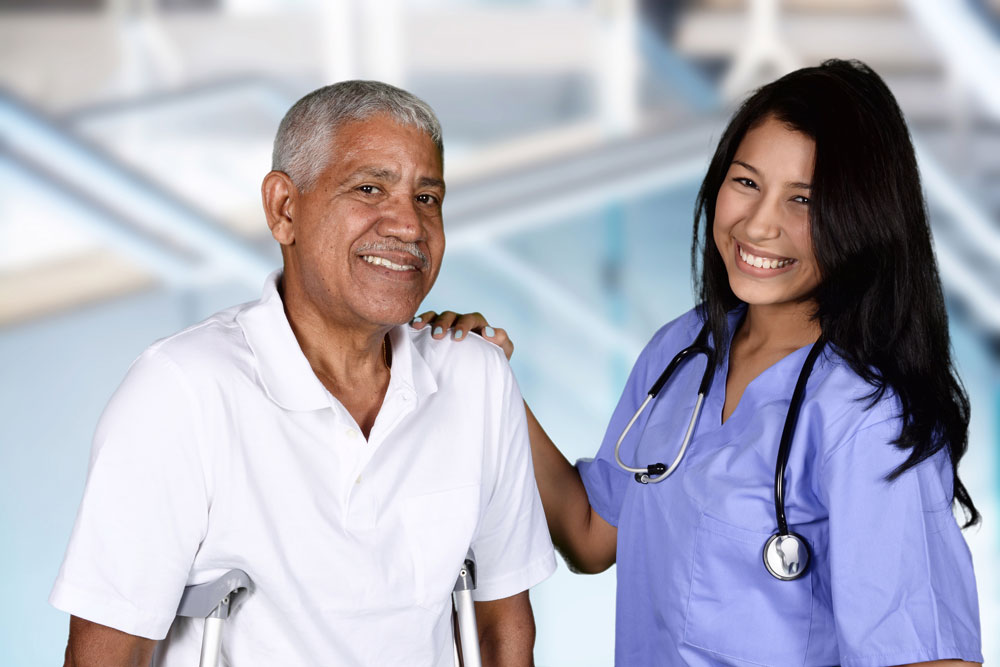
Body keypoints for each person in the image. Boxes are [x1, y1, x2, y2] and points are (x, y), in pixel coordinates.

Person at [416, 60, 983, 666]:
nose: (760, 224)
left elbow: (930, 658)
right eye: (746, 183)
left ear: (862, 220)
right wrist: (491, 384)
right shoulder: (682, 352)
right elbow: (590, 534)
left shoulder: (867, 418)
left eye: (804, 200)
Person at [51, 80, 556, 667]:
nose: (410, 227)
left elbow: (500, 627)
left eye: (428, 198)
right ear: (284, 209)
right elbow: (108, 654)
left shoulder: (476, 378)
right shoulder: (180, 390)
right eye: (369, 189)